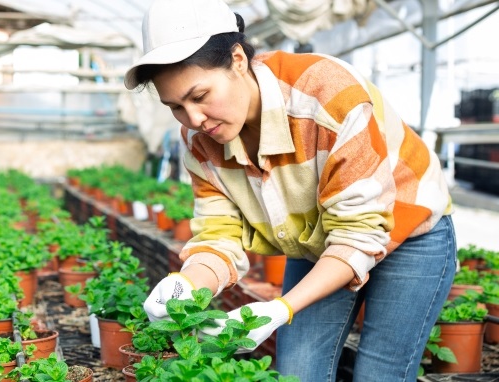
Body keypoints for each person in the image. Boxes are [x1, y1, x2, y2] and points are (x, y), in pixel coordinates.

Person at [125, 0, 456, 381]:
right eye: (175, 106)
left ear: (237, 60)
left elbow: (359, 234)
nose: (193, 119)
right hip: (317, 239)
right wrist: (186, 283)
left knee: (380, 373)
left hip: (410, 230)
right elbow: (218, 235)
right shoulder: (200, 140)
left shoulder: (327, 95)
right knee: (299, 371)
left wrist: (280, 308)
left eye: (199, 96)